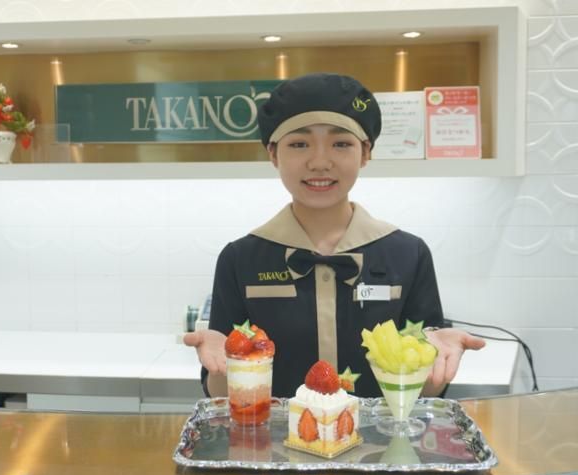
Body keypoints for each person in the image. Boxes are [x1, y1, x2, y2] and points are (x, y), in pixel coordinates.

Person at [184, 73, 485, 399]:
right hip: (275, 434)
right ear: (273, 154)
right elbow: (221, 397)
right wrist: (219, 365)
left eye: (341, 144)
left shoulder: (409, 255)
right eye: (299, 144)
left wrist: (438, 366)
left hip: (379, 434)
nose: (320, 162)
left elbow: (423, 397)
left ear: (365, 152)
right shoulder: (240, 259)